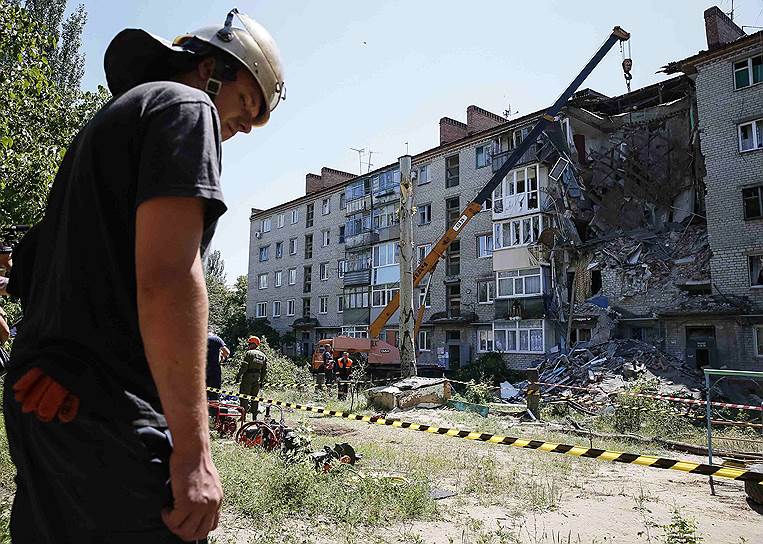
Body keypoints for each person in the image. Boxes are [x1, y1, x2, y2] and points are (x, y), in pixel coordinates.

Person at [2, 8, 285, 543]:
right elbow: (170, 278)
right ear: (211, 70)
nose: (248, 124)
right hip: (109, 416)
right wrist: (195, 453)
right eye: (248, 102)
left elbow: (37, 272)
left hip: (46, 405)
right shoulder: (185, 106)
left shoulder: (104, 131)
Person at [236, 336, 267, 418]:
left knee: (243, 397)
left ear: (253, 344)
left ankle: (243, 416)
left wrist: (238, 376)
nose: (248, 346)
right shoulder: (263, 356)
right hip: (257, 378)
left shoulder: (249, 353)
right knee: (255, 398)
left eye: (249, 344)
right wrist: (261, 381)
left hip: (247, 377)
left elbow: (244, 367)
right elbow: (264, 371)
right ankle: (254, 417)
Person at [206, 333, 229, 401]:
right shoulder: (217, 339)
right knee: (214, 392)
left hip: (202, 369)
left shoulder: (200, 339)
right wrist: (222, 359)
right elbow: (227, 352)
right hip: (214, 369)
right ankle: (213, 410)